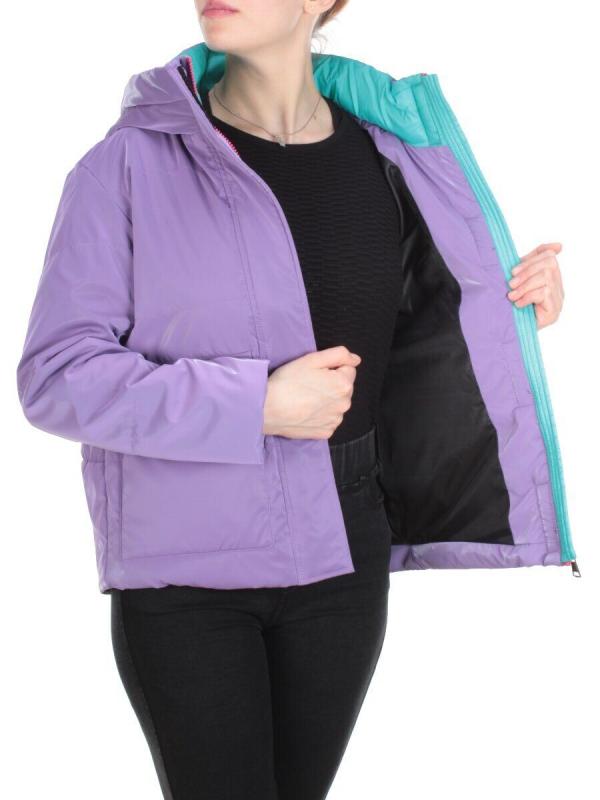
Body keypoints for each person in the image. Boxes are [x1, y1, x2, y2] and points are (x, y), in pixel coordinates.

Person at [16, 1, 573, 798]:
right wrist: (255, 405)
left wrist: (512, 312)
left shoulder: (392, 152)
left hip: (345, 551)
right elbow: (56, 375)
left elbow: (407, 324)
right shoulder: (125, 166)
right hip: (187, 569)